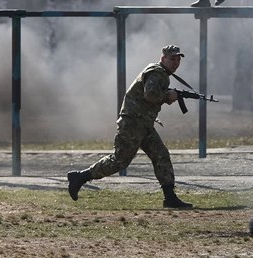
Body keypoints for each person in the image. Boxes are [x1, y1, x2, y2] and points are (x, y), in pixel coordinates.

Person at [68, 45, 193, 209]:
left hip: (144, 124)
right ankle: (80, 177)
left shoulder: (160, 73)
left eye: (178, 60)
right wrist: (167, 96)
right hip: (133, 123)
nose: (175, 63)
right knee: (120, 161)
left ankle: (170, 197)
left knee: (161, 155)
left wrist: (168, 95)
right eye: (172, 59)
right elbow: (150, 95)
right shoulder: (157, 72)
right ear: (163, 59)